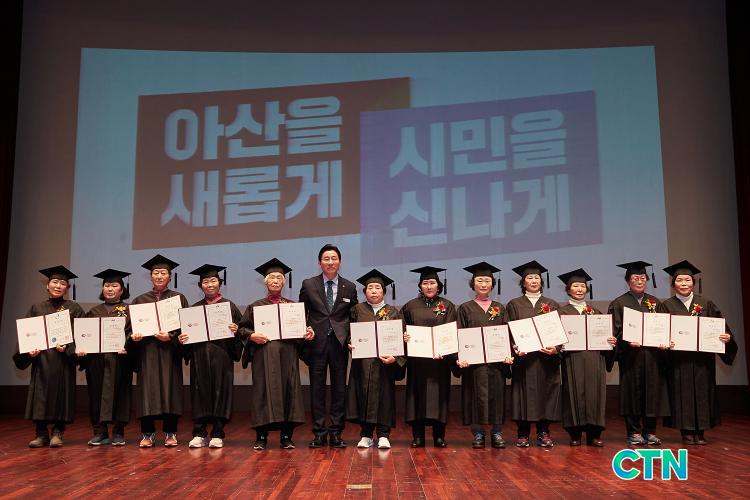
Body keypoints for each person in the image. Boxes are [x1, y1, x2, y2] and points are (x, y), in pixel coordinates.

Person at [658, 260, 737, 445]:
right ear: (673, 284)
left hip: (702, 360)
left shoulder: (706, 303)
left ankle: (700, 431)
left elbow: (721, 328)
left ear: (693, 283)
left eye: (687, 280)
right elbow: (660, 332)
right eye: (679, 280)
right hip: (679, 361)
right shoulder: (666, 305)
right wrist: (663, 343)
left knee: (702, 393)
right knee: (681, 394)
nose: (684, 283)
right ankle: (686, 432)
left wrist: (726, 337)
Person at [240, 258, 313, 450]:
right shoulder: (256, 306)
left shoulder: (293, 307)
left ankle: (286, 436)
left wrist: (307, 333)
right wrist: (252, 335)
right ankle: (261, 436)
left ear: (284, 282)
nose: (275, 281)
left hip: (287, 357)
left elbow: (301, 332)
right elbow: (242, 329)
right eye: (271, 277)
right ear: (265, 282)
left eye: (279, 278)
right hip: (263, 357)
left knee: (289, 392)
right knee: (263, 393)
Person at [13, 265, 85, 448]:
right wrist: (29, 351)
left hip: (63, 361)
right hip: (42, 361)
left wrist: (68, 348)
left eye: (62, 283)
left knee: (62, 395)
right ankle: (41, 433)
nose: (58, 286)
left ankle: (58, 432)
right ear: (47, 285)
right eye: (55, 282)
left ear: (67, 288)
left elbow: (82, 335)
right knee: (41, 395)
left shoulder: (74, 308)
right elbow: (27, 335)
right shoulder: (37, 308)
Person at [126, 254, 190, 448]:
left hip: (169, 353)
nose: (159, 276)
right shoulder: (139, 301)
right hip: (147, 353)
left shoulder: (178, 298)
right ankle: (148, 433)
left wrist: (170, 337)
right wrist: (134, 337)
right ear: (150, 276)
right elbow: (128, 330)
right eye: (156, 273)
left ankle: (171, 432)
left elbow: (186, 327)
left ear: (170, 277)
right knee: (147, 392)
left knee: (171, 391)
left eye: (163, 273)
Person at [299, 244, 358, 448]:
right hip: (316, 343)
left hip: (339, 344)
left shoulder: (350, 286)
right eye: (326, 258)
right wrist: (305, 328)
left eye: (334, 258)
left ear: (340, 262)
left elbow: (354, 316)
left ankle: (336, 432)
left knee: (339, 389)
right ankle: (319, 432)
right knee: (317, 389)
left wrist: (352, 338)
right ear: (320, 262)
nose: (330, 262)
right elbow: (300, 313)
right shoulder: (309, 284)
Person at [607, 260, 670, 446]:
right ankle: (634, 431)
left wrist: (664, 341)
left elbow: (663, 326)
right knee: (632, 393)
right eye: (635, 277)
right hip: (631, 357)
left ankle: (650, 431)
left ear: (647, 280)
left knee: (652, 393)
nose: (640, 281)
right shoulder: (619, 303)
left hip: (652, 357)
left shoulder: (655, 302)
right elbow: (615, 330)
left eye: (643, 277)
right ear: (628, 281)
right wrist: (626, 341)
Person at [345, 269, 405, 450]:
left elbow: (401, 339)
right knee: (363, 396)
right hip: (363, 364)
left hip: (384, 364)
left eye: (377, 287)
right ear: (364, 292)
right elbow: (348, 332)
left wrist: (395, 358)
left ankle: (384, 435)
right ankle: (365, 435)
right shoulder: (357, 310)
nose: (373, 291)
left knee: (385, 398)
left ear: (384, 291)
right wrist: (349, 342)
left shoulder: (393, 312)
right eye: (370, 288)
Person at [184, 264, 243, 449]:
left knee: (220, 392)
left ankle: (218, 433)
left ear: (220, 283)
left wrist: (236, 331)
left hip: (221, 356)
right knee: (199, 392)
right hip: (200, 356)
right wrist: (183, 339)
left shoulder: (229, 307)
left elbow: (241, 333)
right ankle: (199, 433)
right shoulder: (194, 309)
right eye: (206, 282)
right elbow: (187, 337)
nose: (210, 285)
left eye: (213, 281)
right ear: (200, 285)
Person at [455, 262, 513, 449]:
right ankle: (478, 433)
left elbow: (507, 334)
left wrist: (508, 354)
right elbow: (459, 334)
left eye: (487, 281)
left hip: (496, 363)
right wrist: (461, 356)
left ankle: (497, 433)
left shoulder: (500, 308)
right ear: (473, 284)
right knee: (475, 397)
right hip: (474, 365)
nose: (483, 284)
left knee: (498, 397)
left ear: (492, 284)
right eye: (479, 280)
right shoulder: (464, 308)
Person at [557, 269, 617, 447]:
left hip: (594, 360)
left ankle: (594, 434)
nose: (580, 289)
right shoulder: (562, 313)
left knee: (594, 396)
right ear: (568, 289)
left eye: (583, 286)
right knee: (573, 394)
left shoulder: (595, 312)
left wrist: (610, 341)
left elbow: (605, 337)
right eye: (575, 286)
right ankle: (574, 434)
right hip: (573, 360)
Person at [506, 260, 561, 448]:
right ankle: (522, 433)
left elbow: (559, 331)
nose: (534, 280)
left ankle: (543, 432)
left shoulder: (551, 304)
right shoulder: (514, 304)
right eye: (530, 277)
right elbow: (508, 330)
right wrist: (514, 347)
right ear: (523, 282)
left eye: (537, 277)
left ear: (541, 281)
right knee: (523, 395)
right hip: (525, 360)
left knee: (546, 394)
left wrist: (556, 348)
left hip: (546, 359)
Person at [402, 266, 458, 448]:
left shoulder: (448, 306)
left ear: (438, 285)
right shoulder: (410, 306)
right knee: (416, 398)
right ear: (420, 286)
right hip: (417, 362)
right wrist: (404, 337)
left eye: (432, 282)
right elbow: (401, 329)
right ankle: (418, 436)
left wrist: (446, 349)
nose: (429, 286)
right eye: (425, 283)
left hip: (439, 362)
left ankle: (439, 436)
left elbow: (451, 332)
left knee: (439, 398)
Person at [76, 268, 133, 446]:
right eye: (106, 285)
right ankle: (100, 432)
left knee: (121, 394)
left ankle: (118, 431)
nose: (109, 288)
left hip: (120, 360)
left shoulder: (129, 310)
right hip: (97, 362)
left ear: (122, 290)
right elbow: (85, 335)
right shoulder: (94, 311)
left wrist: (128, 345)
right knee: (96, 394)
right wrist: (82, 349)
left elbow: (133, 334)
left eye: (114, 285)